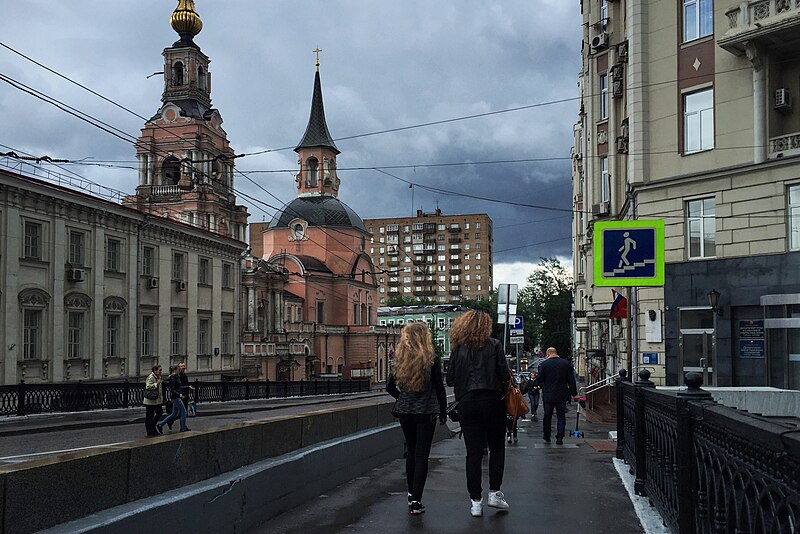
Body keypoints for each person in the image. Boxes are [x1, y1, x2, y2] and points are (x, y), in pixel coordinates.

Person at [446, 310, 512, 517]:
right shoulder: (494, 345)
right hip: (493, 402)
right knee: (497, 449)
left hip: (467, 404)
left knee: (473, 454)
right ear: (486, 326)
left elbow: (449, 379)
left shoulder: (458, 349)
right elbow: (503, 374)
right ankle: (495, 492)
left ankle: (475, 502)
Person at [386, 323, 447, 516]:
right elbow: (440, 388)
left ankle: (410, 493)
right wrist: (443, 412)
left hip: (405, 412)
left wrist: (403, 398)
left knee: (411, 452)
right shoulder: (431, 359)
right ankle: (416, 501)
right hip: (426, 412)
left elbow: (389, 386)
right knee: (422, 455)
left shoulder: (400, 359)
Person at [535, 347, 578, 445]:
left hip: (548, 395)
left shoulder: (544, 364)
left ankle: (547, 436)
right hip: (561, 394)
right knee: (561, 416)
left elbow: (539, 379)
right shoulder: (565, 364)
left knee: (547, 416)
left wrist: (538, 385)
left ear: (548, 354)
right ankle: (559, 438)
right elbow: (571, 381)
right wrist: (574, 394)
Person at [157, 366, 190, 433]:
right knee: (183, 412)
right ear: (175, 370)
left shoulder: (176, 377)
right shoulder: (172, 377)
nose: (179, 371)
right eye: (178, 369)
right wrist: (179, 394)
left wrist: (188, 387)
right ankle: (183, 428)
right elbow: (172, 389)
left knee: (174, 414)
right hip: (175, 397)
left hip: (176, 397)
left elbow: (179, 387)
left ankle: (160, 424)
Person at [143, 365, 163, 436]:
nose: (160, 372)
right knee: (149, 416)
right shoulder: (151, 377)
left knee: (160, 412)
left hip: (156, 400)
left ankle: (152, 426)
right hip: (150, 401)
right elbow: (148, 386)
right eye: (159, 370)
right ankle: (150, 431)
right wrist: (155, 384)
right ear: (155, 370)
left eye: (161, 370)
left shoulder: (158, 377)